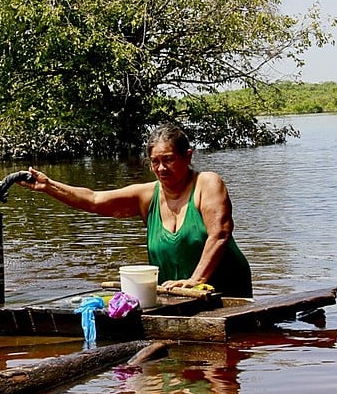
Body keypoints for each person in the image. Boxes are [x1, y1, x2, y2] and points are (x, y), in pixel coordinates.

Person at [18, 122, 252, 298]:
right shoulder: (147, 195)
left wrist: (195, 279)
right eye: (155, 161)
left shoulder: (208, 183)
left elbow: (220, 233)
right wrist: (48, 186)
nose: (161, 168)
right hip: (181, 296)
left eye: (169, 159)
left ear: (187, 156)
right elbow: (95, 199)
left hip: (226, 293)